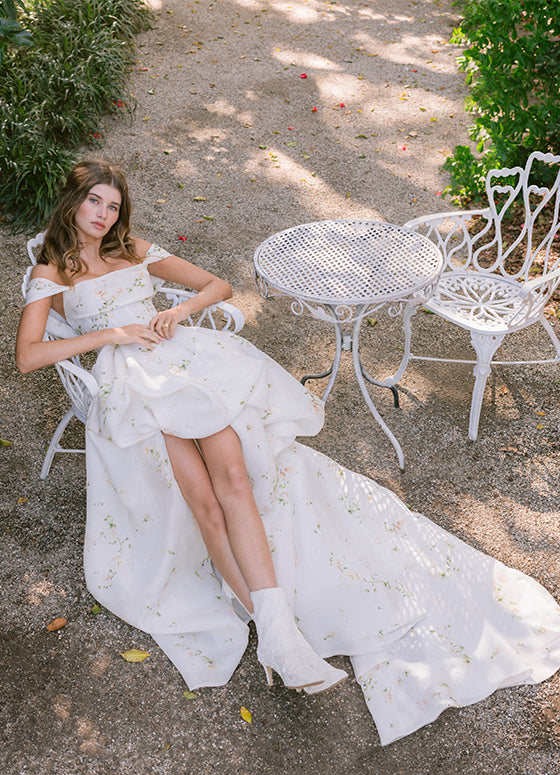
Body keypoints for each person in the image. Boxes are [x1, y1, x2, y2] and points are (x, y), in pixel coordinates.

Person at [16, 160, 560, 745]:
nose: (103, 216)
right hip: (132, 383)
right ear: (73, 203)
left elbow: (217, 288)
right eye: (94, 202)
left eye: (113, 206)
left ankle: (277, 629)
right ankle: (272, 629)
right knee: (202, 502)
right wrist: (114, 336)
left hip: (185, 363)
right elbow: (28, 356)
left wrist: (177, 311)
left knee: (233, 479)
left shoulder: (136, 250)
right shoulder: (52, 271)